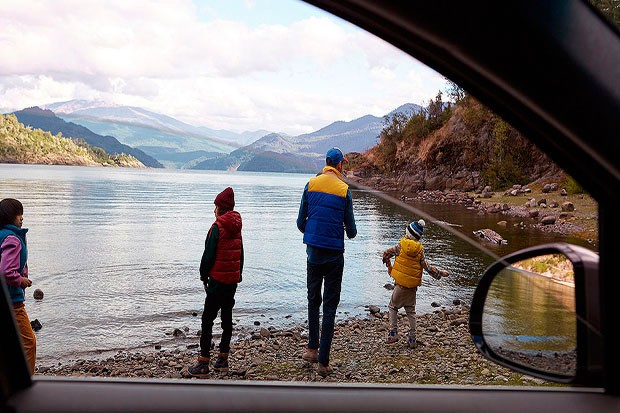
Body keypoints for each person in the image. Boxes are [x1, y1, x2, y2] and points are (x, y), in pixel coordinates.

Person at [297, 147, 357, 377]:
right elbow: (351, 231)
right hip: (334, 256)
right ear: (339, 165)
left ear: (326, 163)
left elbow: (300, 223)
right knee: (330, 307)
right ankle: (323, 362)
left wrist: (313, 231)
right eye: (343, 164)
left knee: (313, 300)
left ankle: (312, 349)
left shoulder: (310, 184)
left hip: (313, 254)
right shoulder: (344, 190)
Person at [189, 187, 243, 378]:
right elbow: (241, 254)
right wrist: (238, 275)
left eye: (216, 207)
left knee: (207, 320)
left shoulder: (217, 227)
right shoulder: (237, 228)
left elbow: (208, 255)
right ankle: (222, 359)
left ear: (221, 208)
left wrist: (203, 276)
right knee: (227, 319)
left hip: (217, 281)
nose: (214, 210)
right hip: (231, 282)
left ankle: (204, 362)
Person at [381, 219, 448, 348]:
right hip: (412, 287)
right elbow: (427, 268)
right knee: (411, 311)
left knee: (393, 307)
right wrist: (440, 273)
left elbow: (387, 253)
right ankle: (412, 338)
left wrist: (386, 261)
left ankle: (393, 333)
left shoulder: (400, 246)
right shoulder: (420, 251)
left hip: (400, 285)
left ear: (408, 233)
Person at [0, 198, 36, 375]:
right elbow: (6, 272)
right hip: (12, 300)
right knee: (29, 342)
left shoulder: (2, 235)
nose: (21, 218)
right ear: (9, 217)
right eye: (18, 214)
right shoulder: (13, 239)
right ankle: (26, 380)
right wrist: (20, 280)